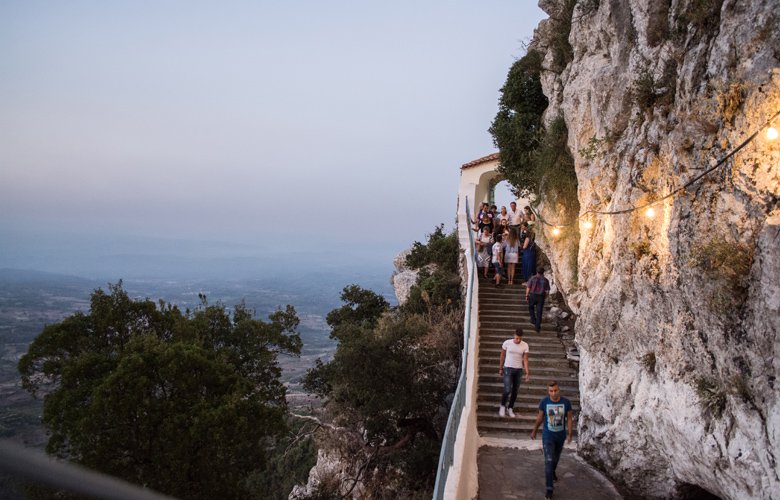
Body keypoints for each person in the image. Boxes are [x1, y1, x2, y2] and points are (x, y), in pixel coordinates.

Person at [531, 381, 573, 500]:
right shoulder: (544, 402)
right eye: (551, 391)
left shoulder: (566, 402)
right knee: (549, 460)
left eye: (555, 390)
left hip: (560, 436)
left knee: (555, 458)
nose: (553, 393)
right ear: (548, 391)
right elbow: (540, 417)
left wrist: (570, 433)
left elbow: (569, 418)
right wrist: (534, 430)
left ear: (559, 390)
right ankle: (549, 489)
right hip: (548, 436)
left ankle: (552, 471)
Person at [498, 328, 530, 417]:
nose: (518, 340)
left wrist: (527, 372)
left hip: (518, 370)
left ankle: (510, 408)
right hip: (508, 368)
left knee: (515, 390)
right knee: (507, 389)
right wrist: (500, 368)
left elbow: (525, 359)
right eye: (517, 338)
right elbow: (502, 355)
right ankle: (502, 406)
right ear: (514, 335)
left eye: (520, 338)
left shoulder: (525, 345)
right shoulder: (507, 343)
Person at [525, 267, 550, 333]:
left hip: (532, 295)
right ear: (543, 272)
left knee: (531, 307)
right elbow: (547, 291)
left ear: (537, 271)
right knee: (539, 312)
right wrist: (544, 297)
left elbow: (528, 287)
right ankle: (537, 327)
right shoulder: (546, 280)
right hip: (541, 297)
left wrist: (527, 295)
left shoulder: (532, 278)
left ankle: (533, 319)